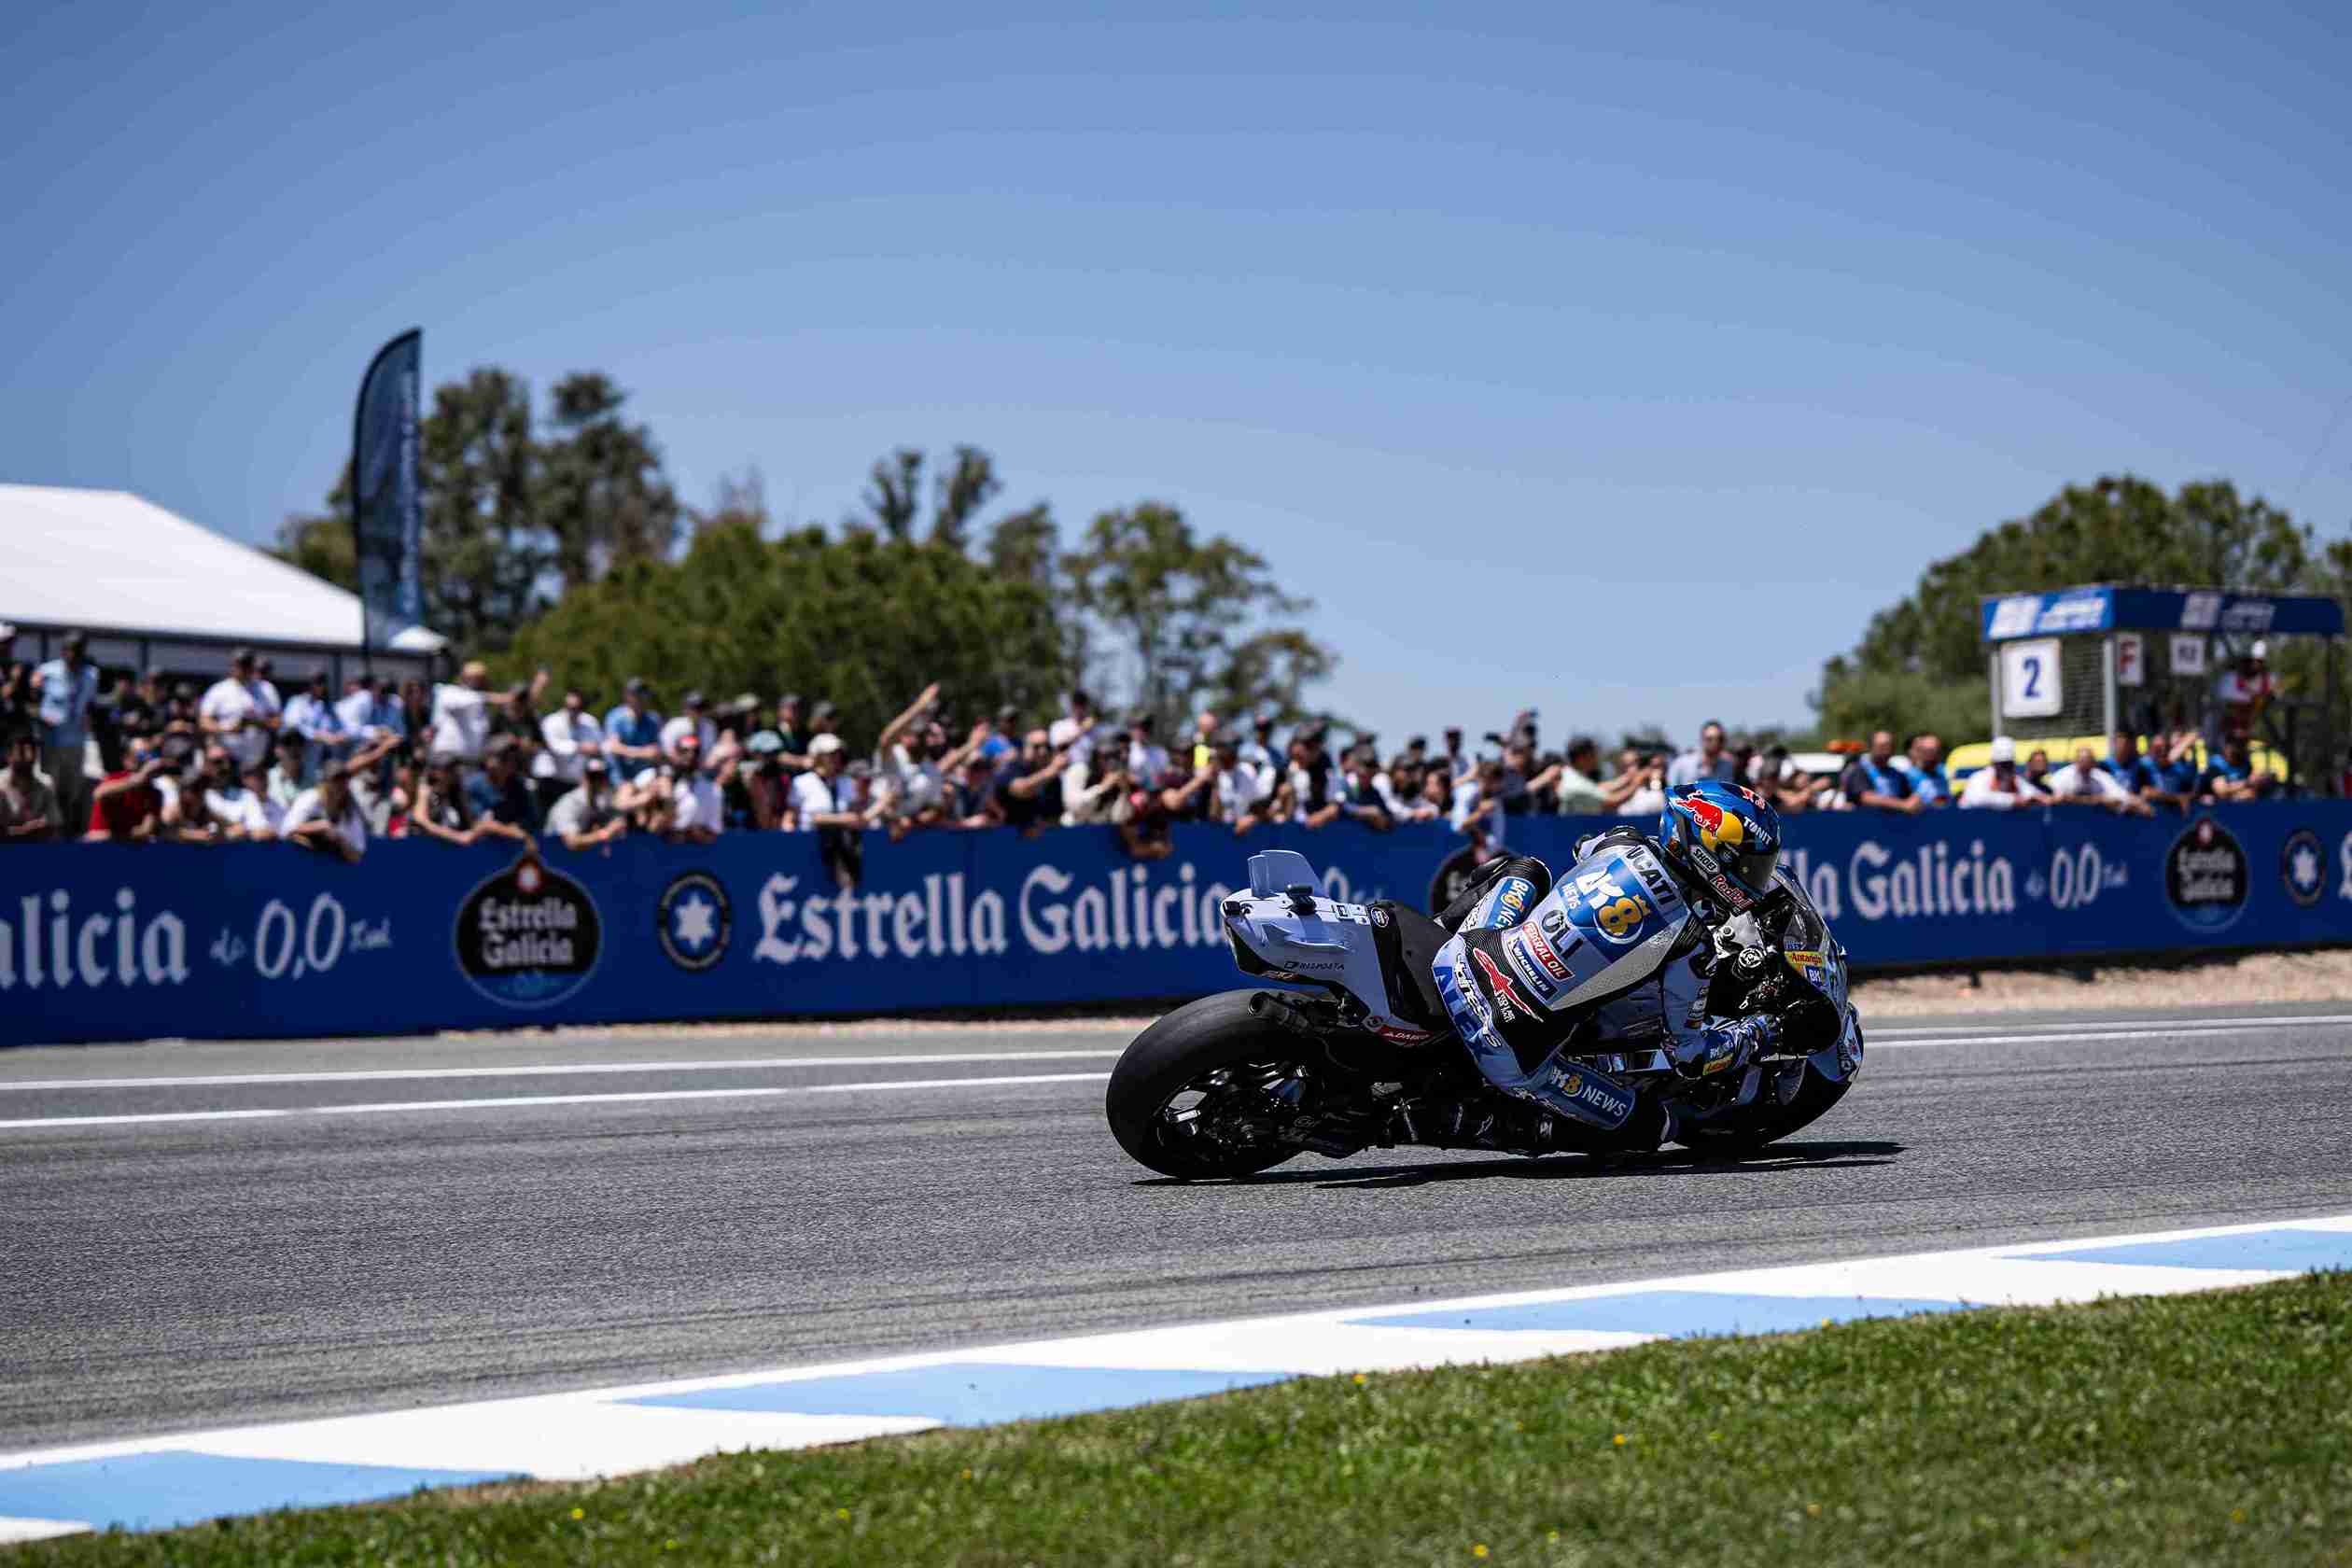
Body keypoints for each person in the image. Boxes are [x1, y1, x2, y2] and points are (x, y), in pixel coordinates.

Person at [1430, 780, 1794, 1149]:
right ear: (1709, 852)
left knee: (1527, 869)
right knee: (1655, 1127)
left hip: (1458, 958)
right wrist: (1760, 1032)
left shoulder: (1621, 840)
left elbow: (1581, 848)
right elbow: (1689, 1057)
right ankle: (1496, 1126)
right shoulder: (1692, 942)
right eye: (1749, 867)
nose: (1753, 879)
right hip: (1508, 1047)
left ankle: (1434, 931)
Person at [32, 630, 101, 831]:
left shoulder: (92, 675)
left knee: (72, 791)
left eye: (78, 651)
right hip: (51, 740)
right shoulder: (46, 672)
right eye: (70, 650)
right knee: (50, 787)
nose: (73, 655)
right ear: (63, 652)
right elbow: (32, 702)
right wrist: (41, 716)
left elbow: (90, 705)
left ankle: (67, 829)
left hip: (76, 740)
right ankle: (48, 828)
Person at [199, 647, 278, 777]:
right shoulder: (219, 690)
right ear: (232, 666)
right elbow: (204, 722)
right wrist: (228, 728)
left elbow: (277, 722)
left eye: (247, 665)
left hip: (258, 761)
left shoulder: (266, 689)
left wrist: (257, 722)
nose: (242, 669)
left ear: (253, 666)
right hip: (228, 761)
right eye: (239, 665)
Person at [537, 687, 606, 813]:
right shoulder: (551, 721)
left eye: (576, 708)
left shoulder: (590, 723)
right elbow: (553, 746)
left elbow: (600, 746)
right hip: (551, 781)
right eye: (569, 707)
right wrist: (579, 747)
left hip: (577, 782)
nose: (572, 712)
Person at [280, 766, 369, 863]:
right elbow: (286, 830)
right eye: (335, 780)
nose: (340, 785)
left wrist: (339, 840)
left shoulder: (350, 810)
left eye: (344, 780)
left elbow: (357, 856)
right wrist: (321, 826)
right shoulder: (311, 798)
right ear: (325, 783)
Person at [464, 735, 543, 843]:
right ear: (488, 760)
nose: (510, 763)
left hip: (511, 848)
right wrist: (510, 831)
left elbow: (530, 822)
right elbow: (479, 825)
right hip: (479, 849)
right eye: (504, 758)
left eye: (514, 759)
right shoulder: (473, 785)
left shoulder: (519, 785)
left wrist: (511, 830)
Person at [2045, 745, 2153, 816]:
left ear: (2093, 763)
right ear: (2075, 761)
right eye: (2082, 761)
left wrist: (2139, 803)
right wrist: (2098, 800)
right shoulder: (2063, 777)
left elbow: (2120, 795)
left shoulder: (2099, 776)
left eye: (2089, 761)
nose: (2086, 765)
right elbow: (2055, 799)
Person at [546, 756, 627, 850]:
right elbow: (571, 842)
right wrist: (605, 833)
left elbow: (616, 821)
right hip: (554, 853)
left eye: (601, 777)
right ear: (584, 778)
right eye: (592, 777)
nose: (596, 782)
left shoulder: (605, 799)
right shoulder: (569, 803)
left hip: (583, 855)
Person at [0, 729, 64, 841]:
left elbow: (55, 822)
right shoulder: (1, 784)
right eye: (21, 751)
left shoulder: (45, 782)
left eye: (33, 750)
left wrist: (43, 825)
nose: (29, 756)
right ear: (8, 755)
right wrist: (22, 831)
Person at [1839, 731, 1920, 813]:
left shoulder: (1898, 775)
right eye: (1882, 746)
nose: (1886, 750)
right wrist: (1903, 805)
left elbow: (1911, 797)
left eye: (1890, 746)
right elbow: (1867, 798)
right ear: (1871, 747)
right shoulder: (1859, 771)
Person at [1958, 736, 2047, 809]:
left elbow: (2035, 795)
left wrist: (2048, 799)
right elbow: (1977, 799)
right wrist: (2013, 801)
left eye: (2009, 764)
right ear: (1994, 764)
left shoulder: (2016, 781)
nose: (2006, 768)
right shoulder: (1978, 779)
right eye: (2003, 764)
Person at [2213, 641, 2275, 743]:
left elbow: (2268, 696)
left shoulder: (2267, 680)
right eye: (2248, 661)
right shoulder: (2229, 678)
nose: (2253, 664)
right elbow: (2235, 706)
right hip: (2223, 733)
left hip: (2249, 732)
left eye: (2258, 661)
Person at [602, 678, 665, 773]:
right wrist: (641, 753)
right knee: (628, 788)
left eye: (644, 695)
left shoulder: (653, 719)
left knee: (664, 782)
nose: (641, 700)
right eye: (637, 695)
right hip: (621, 773)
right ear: (627, 696)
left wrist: (653, 753)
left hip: (646, 772)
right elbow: (614, 746)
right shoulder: (615, 717)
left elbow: (657, 749)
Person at [2199, 734, 2272, 802]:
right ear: (2226, 745)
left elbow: (2251, 792)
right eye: (2234, 744)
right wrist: (2247, 783)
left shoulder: (2246, 763)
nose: (2237, 748)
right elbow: (2221, 791)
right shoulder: (2216, 763)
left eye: (2241, 744)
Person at [2138, 732, 2200, 813]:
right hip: (2151, 817)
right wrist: (2176, 798)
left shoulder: (2179, 769)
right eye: (2158, 749)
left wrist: (2186, 797)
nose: (2163, 751)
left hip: (2174, 818)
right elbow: (2146, 792)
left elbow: (2191, 794)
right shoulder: (2144, 766)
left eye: (2166, 748)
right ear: (2150, 750)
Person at [1666, 721, 1737, 788]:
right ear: (1702, 739)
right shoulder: (1681, 765)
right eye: (1710, 739)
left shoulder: (1727, 767)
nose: (1715, 743)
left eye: (1720, 739)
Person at [1897, 734, 1952, 806]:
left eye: (1936, 751)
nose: (1932, 755)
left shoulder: (1946, 773)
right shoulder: (1906, 777)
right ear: (1920, 752)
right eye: (1928, 751)